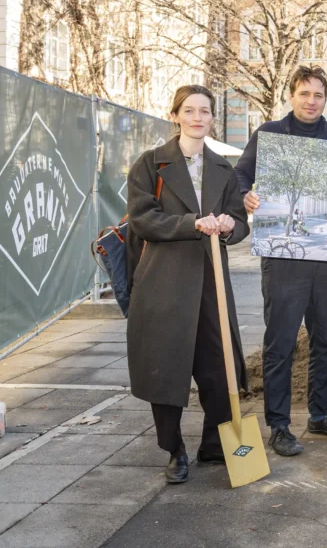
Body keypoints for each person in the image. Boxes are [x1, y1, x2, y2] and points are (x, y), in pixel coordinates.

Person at [126, 85, 249, 484]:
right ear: (176, 115)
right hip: (164, 282)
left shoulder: (223, 169)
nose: (198, 118)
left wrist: (231, 225)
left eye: (205, 111)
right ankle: (174, 450)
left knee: (219, 365)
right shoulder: (150, 164)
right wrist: (191, 223)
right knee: (167, 367)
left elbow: (238, 221)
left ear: (213, 118)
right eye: (190, 110)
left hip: (210, 281)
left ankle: (215, 445)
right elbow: (143, 219)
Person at [235, 66, 327, 456]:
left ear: (325, 98)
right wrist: (245, 197)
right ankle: (280, 425)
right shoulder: (269, 135)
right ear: (291, 96)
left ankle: (320, 415)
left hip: (326, 259)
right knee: (281, 343)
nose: (311, 101)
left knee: (325, 341)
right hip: (283, 258)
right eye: (304, 93)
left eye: (318, 94)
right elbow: (239, 176)